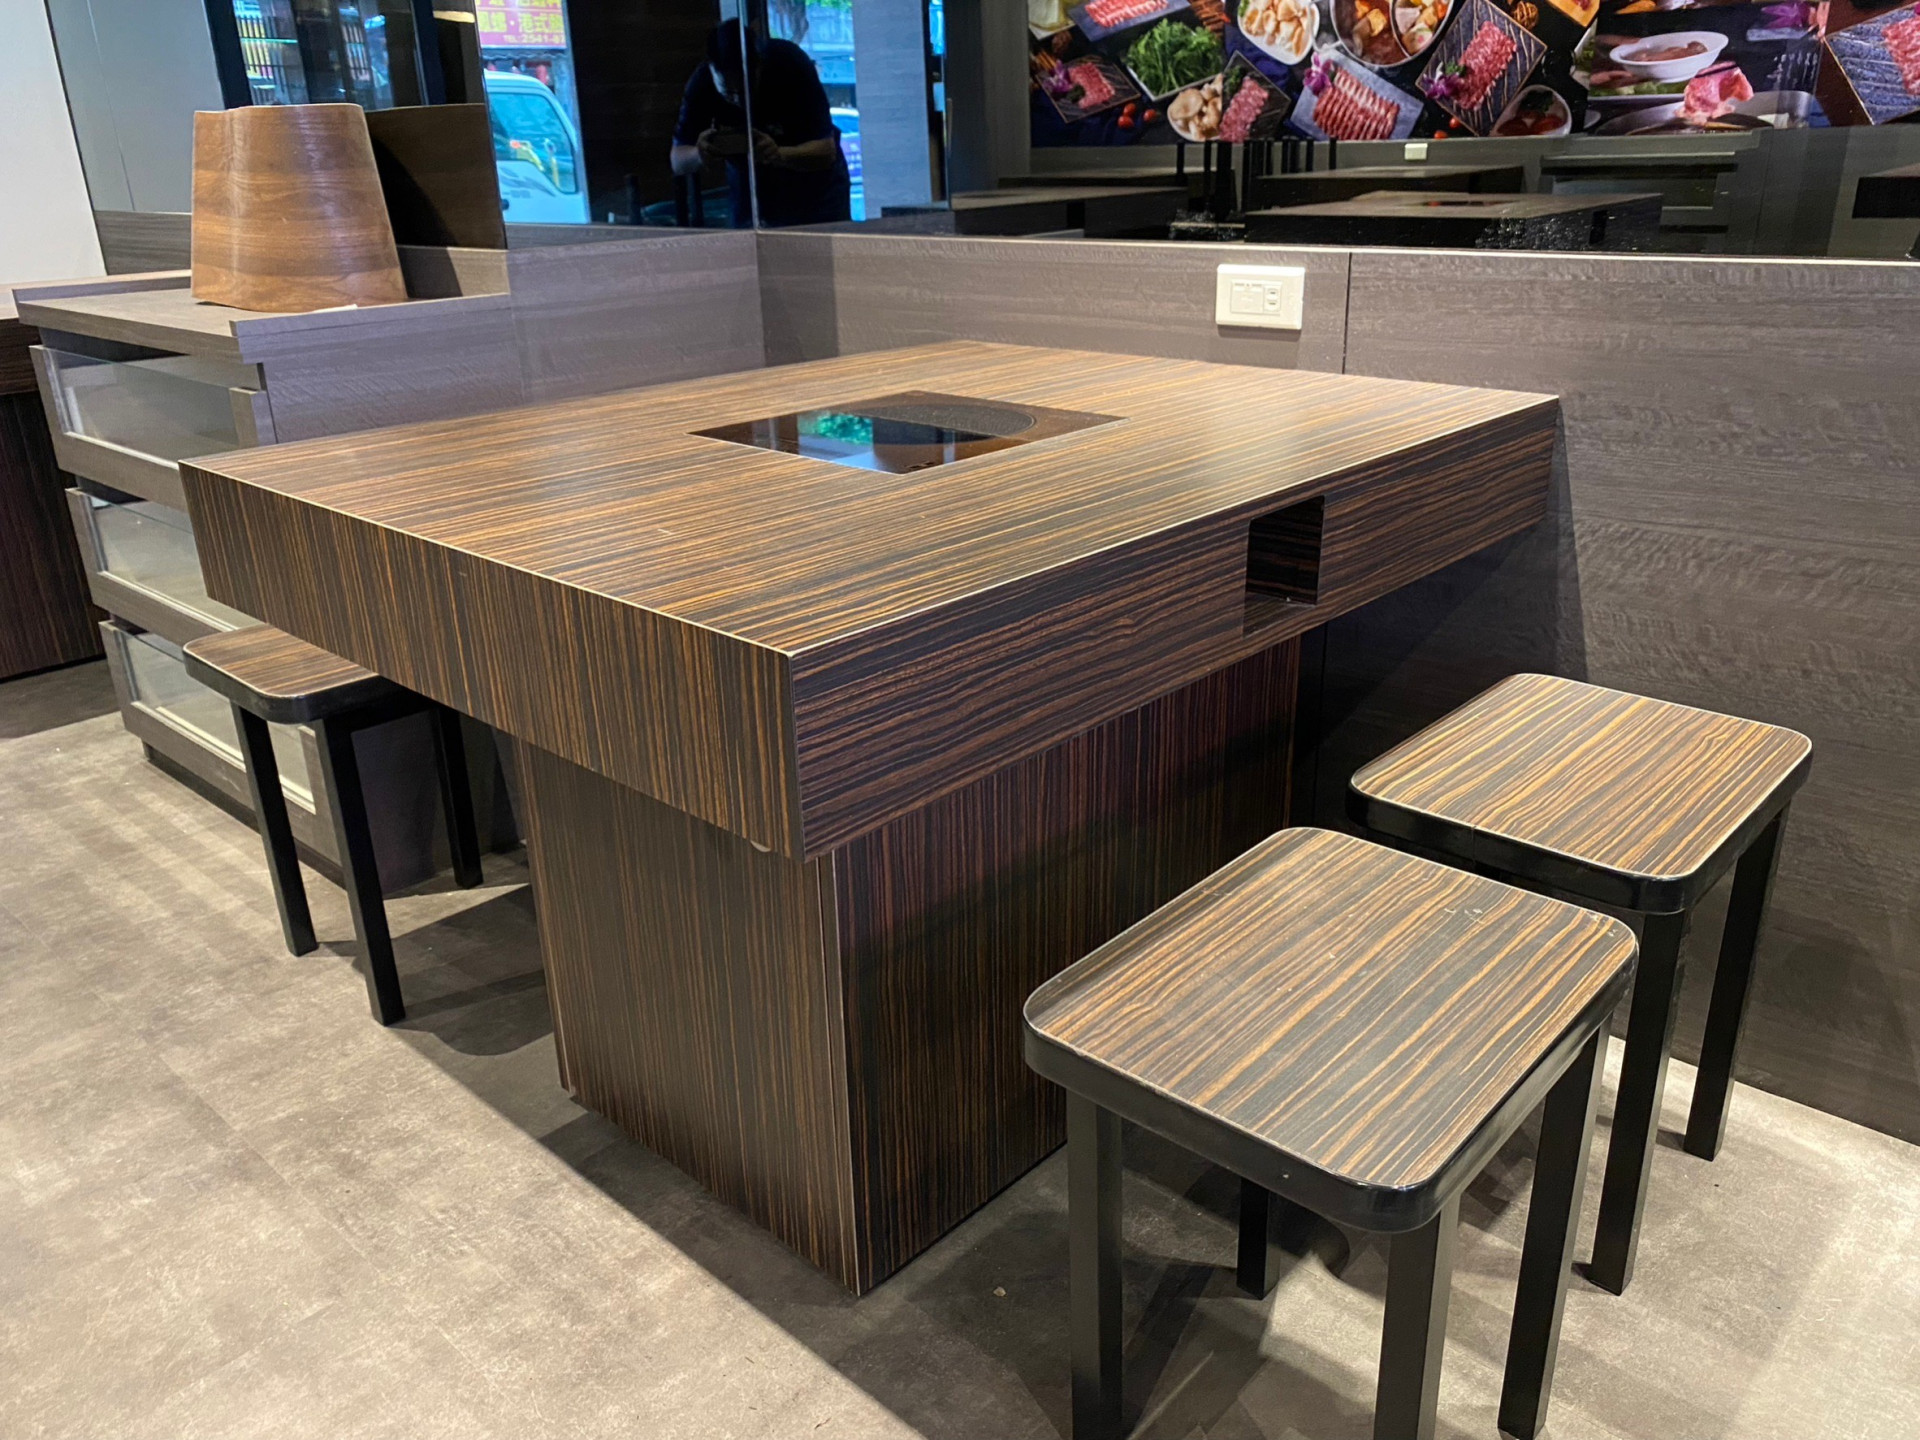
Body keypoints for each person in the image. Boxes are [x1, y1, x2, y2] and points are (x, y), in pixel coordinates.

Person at [671, 20, 852, 228]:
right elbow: (677, 161)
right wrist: (700, 153)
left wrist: (779, 154)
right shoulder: (701, 83)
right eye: (728, 93)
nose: (739, 100)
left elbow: (826, 151)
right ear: (712, 71)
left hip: (817, 192)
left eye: (745, 89)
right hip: (751, 193)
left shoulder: (790, 64)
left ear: (759, 66)